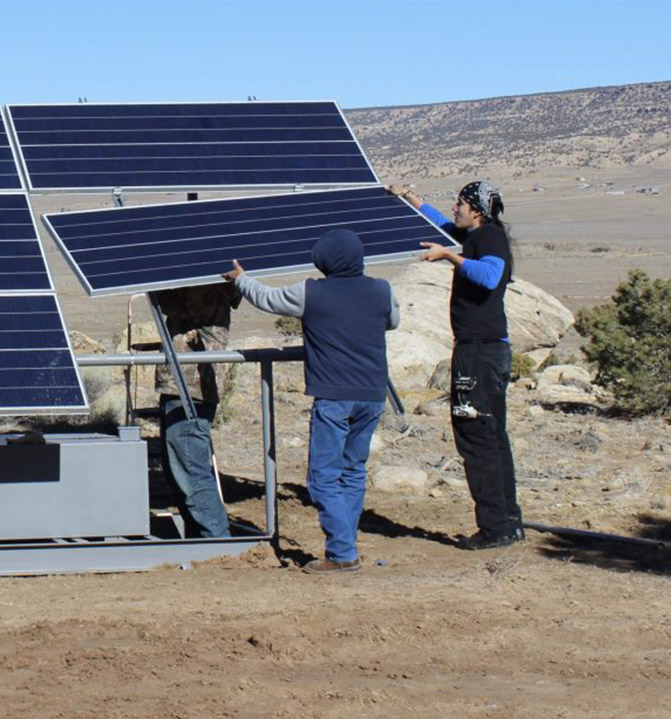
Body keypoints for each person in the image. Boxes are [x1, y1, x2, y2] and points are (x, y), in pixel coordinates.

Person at [223, 229, 399, 573]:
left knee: (323, 478)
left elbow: (269, 299)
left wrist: (242, 279)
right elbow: (392, 321)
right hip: (373, 395)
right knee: (353, 472)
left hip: (334, 396)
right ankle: (345, 545)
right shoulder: (381, 290)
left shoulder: (312, 293)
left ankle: (342, 553)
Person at [386, 181, 523, 550]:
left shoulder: (489, 239)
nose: (456, 207)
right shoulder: (478, 235)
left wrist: (450, 258)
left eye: (461, 202)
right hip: (485, 351)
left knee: (476, 437)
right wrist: (409, 198)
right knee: (493, 437)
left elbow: (490, 275)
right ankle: (508, 522)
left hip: (479, 353)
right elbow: (442, 228)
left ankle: (495, 528)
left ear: (476, 209)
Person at [152, 283, 241, 538]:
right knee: (178, 464)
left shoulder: (206, 282)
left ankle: (215, 537)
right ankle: (199, 533)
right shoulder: (213, 277)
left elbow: (173, 305)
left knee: (190, 464)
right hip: (186, 384)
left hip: (190, 384)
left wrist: (152, 282)